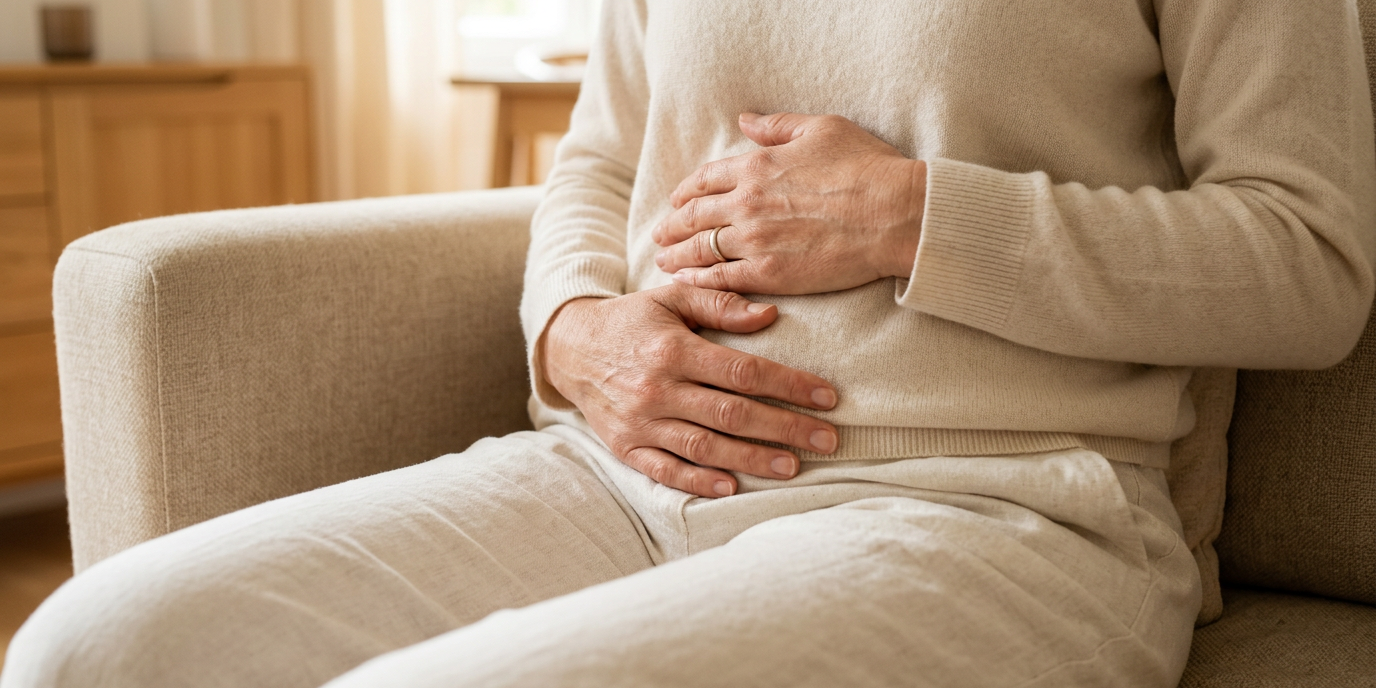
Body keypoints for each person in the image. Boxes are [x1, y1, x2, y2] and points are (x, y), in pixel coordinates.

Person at [5, 1, 1374, 687]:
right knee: (99, 650)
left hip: (1002, 509)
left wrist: (911, 218)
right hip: (621, 476)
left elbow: (1312, 264)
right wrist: (576, 333)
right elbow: (599, 158)